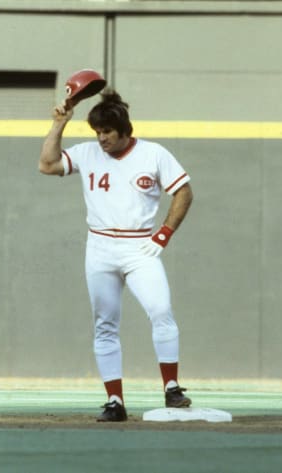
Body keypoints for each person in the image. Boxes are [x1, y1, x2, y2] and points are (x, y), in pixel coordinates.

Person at [39, 88, 194, 422]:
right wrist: (59, 124)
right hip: (100, 247)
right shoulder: (88, 152)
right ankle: (114, 401)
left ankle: (172, 388)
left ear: (126, 131)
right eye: (97, 132)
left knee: (161, 310)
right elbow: (47, 164)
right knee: (105, 324)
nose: (102, 138)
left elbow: (183, 191)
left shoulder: (153, 154)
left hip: (140, 247)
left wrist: (163, 234)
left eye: (108, 131)